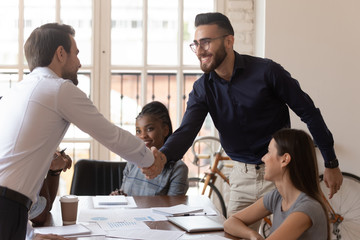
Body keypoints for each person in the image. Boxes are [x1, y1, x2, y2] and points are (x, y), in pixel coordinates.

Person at [142, 12, 342, 229]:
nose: (199, 51)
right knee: (234, 233)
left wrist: (331, 162)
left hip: (282, 175)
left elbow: (308, 112)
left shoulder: (267, 72)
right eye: (196, 44)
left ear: (229, 41)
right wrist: (162, 157)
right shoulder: (202, 89)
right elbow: (186, 131)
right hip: (241, 177)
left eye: (206, 42)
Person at [0, 23, 164, 240]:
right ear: (60, 53)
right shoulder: (59, 89)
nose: (79, 62)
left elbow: (12, 170)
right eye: (75, 54)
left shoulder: (17, 92)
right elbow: (110, 135)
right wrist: (149, 160)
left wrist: (29, 234)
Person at [224, 129, 330, 240]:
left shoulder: (307, 208)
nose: (263, 158)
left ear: (285, 159)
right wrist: (253, 235)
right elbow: (230, 222)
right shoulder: (277, 197)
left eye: (269, 152)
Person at [111, 101, 189, 196]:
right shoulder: (132, 161)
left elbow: (174, 208)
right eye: (138, 131)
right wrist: (118, 197)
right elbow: (125, 196)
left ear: (165, 130)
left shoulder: (178, 169)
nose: (143, 136)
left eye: (149, 129)